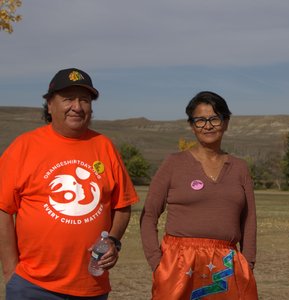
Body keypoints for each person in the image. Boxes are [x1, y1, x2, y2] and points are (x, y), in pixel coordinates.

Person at [0, 68, 139, 299]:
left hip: (90, 286)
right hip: (31, 285)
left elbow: (122, 205)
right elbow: (3, 209)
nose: (77, 106)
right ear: (50, 105)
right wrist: (10, 269)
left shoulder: (104, 146)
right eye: (68, 99)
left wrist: (113, 241)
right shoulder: (24, 146)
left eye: (84, 100)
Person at [140, 91, 258, 299]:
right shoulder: (173, 163)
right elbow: (149, 215)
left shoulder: (240, 168)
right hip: (179, 263)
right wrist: (157, 263)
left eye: (214, 118)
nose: (208, 125)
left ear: (226, 122)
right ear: (192, 125)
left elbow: (249, 220)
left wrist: (247, 263)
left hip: (227, 265)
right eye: (200, 120)